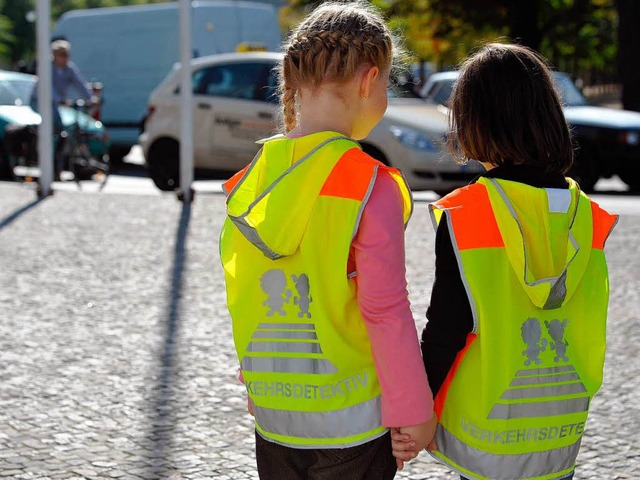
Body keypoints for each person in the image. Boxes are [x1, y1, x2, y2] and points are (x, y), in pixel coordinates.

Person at [219, 1, 437, 478]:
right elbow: (385, 310)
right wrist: (414, 409)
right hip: (354, 423)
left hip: (276, 414)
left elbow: (245, 292)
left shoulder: (252, 179)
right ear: (368, 80)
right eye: (386, 87)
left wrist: (255, 384)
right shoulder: (369, 183)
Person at [392, 43, 618, 480]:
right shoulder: (585, 215)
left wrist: (415, 409)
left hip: (485, 432)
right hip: (557, 430)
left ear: (474, 122)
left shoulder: (468, 211)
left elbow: (446, 328)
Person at [30, 39, 95, 179]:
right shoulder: (47, 68)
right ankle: (45, 154)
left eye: (66, 55)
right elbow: (47, 87)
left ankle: (57, 161)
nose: (65, 58)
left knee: (62, 130)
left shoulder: (69, 69)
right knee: (55, 123)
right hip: (39, 100)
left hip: (55, 102)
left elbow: (80, 83)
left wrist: (91, 98)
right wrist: (60, 99)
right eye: (61, 55)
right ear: (54, 55)